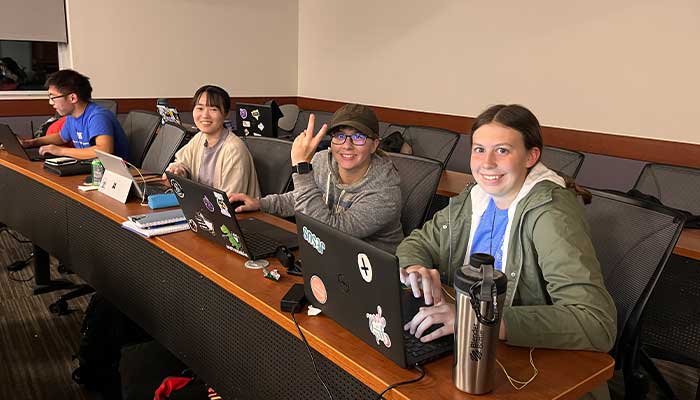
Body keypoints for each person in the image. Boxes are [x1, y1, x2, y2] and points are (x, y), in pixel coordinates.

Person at [396, 104, 616, 399]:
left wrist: (477, 321)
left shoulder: (550, 214)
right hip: (471, 350)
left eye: (501, 150)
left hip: (539, 372)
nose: (486, 163)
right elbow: (418, 242)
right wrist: (414, 269)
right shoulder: (475, 197)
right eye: (478, 149)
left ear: (531, 156)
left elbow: (596, 323)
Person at [228, 103, 403, 253]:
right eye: (340, 136)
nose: (347, 146)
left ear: (374, 145)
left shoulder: (386, 191)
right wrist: (261, 204)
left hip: (371, 270)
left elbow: (330, 231)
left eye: (358, 137)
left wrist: (301, 167)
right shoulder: (322, 160)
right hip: (329, 253)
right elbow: (304, 197)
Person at [163, 85, 260, 197]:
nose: (205, 115)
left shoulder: (233, 150)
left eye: (213, 109)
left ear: (226, 113)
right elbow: (183, 162)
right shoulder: (200, 137)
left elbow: (229, 201)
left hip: (236, 213)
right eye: (200, 108)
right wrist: (177, 170)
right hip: (203, 208)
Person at [20, 69, 128, 159]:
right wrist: (32, 142)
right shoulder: (72, 117)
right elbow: (62, 137)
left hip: (114, 176)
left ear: (72, 98)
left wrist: (61, 151)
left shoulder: (98, 116)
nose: (50, 102)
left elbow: (105, 150)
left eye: (53, 97)